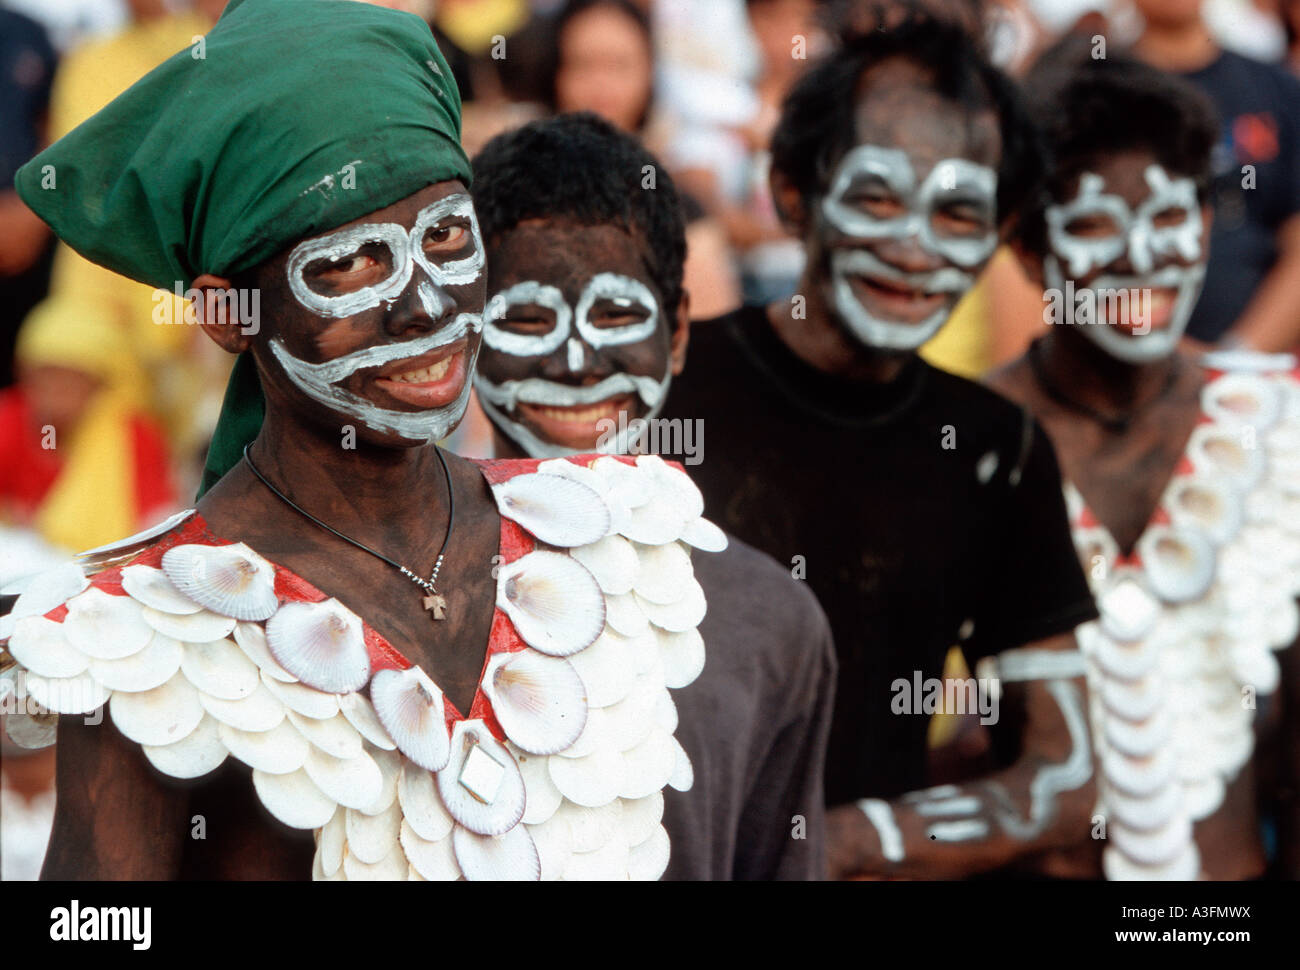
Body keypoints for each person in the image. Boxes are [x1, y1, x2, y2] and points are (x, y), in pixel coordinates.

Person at [1, 0, 716, 882]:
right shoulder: (147, 643)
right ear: (229, 312)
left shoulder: (602, 546)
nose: (423, 306)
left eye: (447, 237)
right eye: (347, 264)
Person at [661, 10, 1101, 879]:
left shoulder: (995, 451)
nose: (912, 245)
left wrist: (848, 841)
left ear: (999, 233)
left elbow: (1064, 776)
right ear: (792, 190)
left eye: (958, 212)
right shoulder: (666, 390)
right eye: (876, 196)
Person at [469, 112, 838, 880]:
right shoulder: (394, 586)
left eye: (616, 315)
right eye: (528, 319)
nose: (576, 361)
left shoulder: (772, 621)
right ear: (466, 332)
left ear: (675, 334)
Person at [987, 49, 1300, 879]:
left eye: (1169, 217)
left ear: (1204, 225)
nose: (1141, 256)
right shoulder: (967, 443)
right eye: (1094, 224)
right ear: (1026, 250)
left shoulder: (1276, 432)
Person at [1131, 0, 1300, 352]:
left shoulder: (1277, 90)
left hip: (1255, 377)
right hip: (1124, 370)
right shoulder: (1087, 93)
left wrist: (1237, 358)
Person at [0, 298, 177, 553]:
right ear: (24, 373)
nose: (56, 389)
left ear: (99, 384)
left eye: (72, 377)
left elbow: (156, 522)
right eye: (47, 373)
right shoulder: (8, 417)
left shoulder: (132, 436)